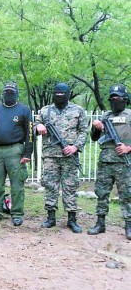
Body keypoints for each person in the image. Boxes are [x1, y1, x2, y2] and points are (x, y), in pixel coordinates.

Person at [35, 83, 87, 233]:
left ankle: (72, 219)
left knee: (70, 186)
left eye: (62, 94)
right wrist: (38, 127)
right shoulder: (45, 111)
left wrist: (75, 146)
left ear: (68, 94)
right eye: (57, 94)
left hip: (69, 154)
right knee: (50, 185)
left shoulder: (78, 110)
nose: (59, 96)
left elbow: (84, 131)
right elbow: (35, 125)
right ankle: (51, 217)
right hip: (51, 154)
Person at [0, 82, 33, 226]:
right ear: (3, 93)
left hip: (15, 150)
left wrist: (27, 153)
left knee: (17, 183)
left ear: (17, 93)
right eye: (6, 92)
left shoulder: (24, 110)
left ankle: (17, 213)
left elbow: (30, 133)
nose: (9, 94)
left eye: (12, 92)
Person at [88, 84, 131, 240]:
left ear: (125, 99)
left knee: (127, 195)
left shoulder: (130, 115)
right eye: (112, 98)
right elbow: (94, 138)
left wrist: (128, 148)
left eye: (117, 98)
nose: (114, 101)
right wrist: (97, 128)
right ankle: (100, 223)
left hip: (124, 163)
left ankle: (129, 225)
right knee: (102, 193)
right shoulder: (105, 116)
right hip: (105, 162)